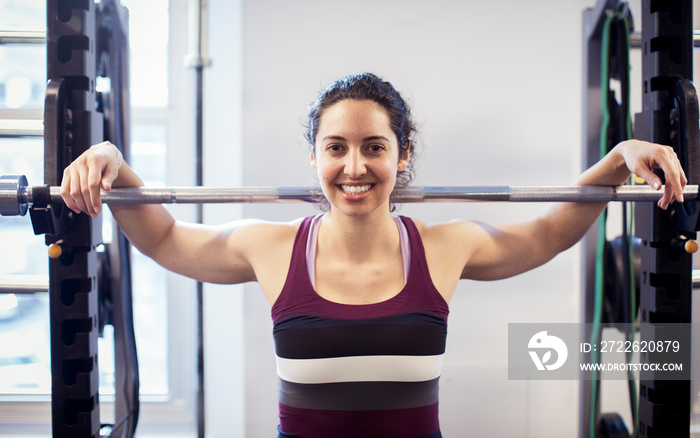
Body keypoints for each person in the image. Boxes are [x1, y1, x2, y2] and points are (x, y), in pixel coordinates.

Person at [60, 73, 686, 438]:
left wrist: (619, 157)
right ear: (314, 157)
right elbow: (166, 239)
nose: (354, 167)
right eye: (336, 147)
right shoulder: (273, 247)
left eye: (373, 147)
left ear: (401, 155)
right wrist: (114, 168)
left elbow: (548, 233)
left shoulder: (444, 248)